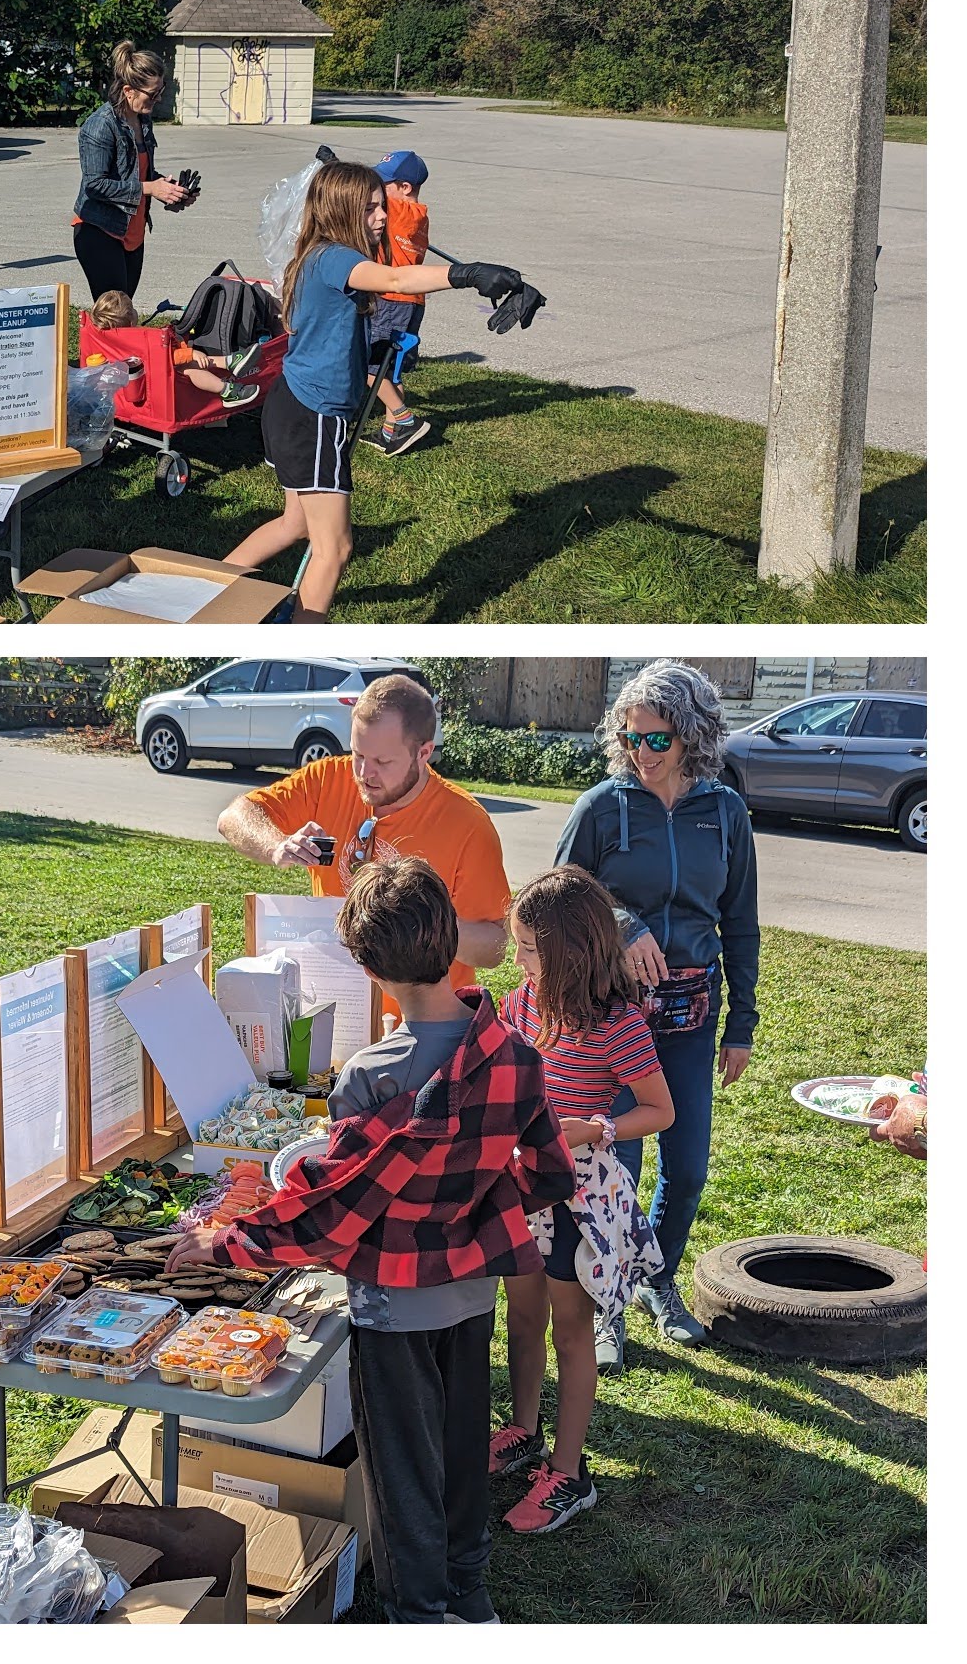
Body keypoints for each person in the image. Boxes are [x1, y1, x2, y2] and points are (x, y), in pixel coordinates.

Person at [167, 858, 574, 1624]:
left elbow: (326, 1208)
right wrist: (478, 1206)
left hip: (393, 1308)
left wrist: (224, 1241)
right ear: (451, 937)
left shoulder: (371, 1078)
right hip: (470, 1292)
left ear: (364, 966)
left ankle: (418, 1613)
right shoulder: (516, 1057)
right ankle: (468, 1592)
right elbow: (548, 1176)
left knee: (400, 1472)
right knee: (458, 1452)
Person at [555, 659, 760, 1367]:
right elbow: (558, 896)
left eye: (656, 740)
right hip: (614, 1019)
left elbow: (741, 922)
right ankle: (608, 1307)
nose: (639, 752)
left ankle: (655, 1279)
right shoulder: (602, 807)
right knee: (617, 1168)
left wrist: (742, 1025)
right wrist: (621, 921)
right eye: (630, 737)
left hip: (693, 1016)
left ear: (693, 738)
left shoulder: (725, 812)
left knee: (690, 1166)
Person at [220, 161, 522, 620]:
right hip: (313, 416)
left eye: (382, 206)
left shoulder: (316, 255)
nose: (382, 217)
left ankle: (208, 587)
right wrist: (466, 274)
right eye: (369, 209)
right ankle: (299, 646)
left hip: (294, 404)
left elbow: (332, 326)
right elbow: (398, 281)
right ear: (341, 212)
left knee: (295, 524)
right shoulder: (337, 257)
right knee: (335, 549)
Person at [491, 866, 674, 1535]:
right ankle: (521, 1431)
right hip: (522, 1185)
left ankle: (569, 1473)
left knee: (571, 1331)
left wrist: (597, 1129)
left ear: (571, 951)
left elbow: (661, 1110)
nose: (519, 962)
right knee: (520, 1317)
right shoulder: (521, 1004)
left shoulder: (616, 1024)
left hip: (578, 1193)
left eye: (530, 951)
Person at [215, 672, 513, 1006]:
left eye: (383, 761)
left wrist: (425, 925)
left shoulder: (467, 823)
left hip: (417, 1026)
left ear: (423, 753)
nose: (364, 774)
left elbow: (494, 947)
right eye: (358, 754)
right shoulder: (327, 779)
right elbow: (233, 817)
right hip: (331, 1010)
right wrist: (277, 845)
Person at [70, 41, 192, 299]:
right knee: (115, 316)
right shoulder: (100, 126)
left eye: (161, 91)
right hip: (99, 231)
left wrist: (169, 190)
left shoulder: (143, 120)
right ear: (128, 90)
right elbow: (94, 184)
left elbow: (139, 173)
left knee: (123, 313)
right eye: (152, 94)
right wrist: (150, 188)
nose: (158, 100)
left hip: (132, 232)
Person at [365, 150, 433, 457]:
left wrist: (334, 167)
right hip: (411, 301)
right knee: (390, 372)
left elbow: (357, 199)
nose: (378, 194)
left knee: (367, 366)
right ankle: (391, 433)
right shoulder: (418, 215)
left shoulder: (399, 211)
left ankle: (405, 420)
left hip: (392, 300)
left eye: (384, 186)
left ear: (405, 188)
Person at [88, 289, 261, 406]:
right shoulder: (138, 339)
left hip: (149, 377)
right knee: (192, 368)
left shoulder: (110, 340)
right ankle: (226, 391)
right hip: (159, 381)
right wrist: (191, 354)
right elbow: (166, 358)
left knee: (192, 363)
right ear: (131, 319)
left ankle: (230, 362)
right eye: (132, 308)